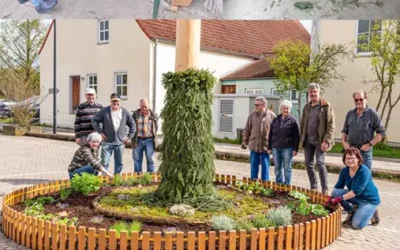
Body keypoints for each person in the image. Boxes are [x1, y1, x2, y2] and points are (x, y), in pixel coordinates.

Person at [327, 147, 380, 229]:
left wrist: (340, 199)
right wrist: (330, 198)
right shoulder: (345, 171)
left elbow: (356, 191)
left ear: (358, 159)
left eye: (353, 158)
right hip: (356, 198)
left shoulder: (364, 171)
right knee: (335, 192)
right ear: (344, 160)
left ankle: (372, 212)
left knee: (357, 225)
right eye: (347, 158)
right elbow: (338, 186)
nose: (350, 160)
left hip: (369, 200)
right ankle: (351, 211)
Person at [300, 83, 335, 195]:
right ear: (309, 93)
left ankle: (325, 189)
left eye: (315, 91)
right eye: (311, 92)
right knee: (308, 163)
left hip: (320, 141)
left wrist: (326, 141)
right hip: (308, 141)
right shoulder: (306, 107)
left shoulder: (326, 106)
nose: (313, 94)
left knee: (320, 163)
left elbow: (331, 125)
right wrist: (301, 139)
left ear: (319, 92)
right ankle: (314, 187)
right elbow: (302, 124)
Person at [91, 93, 136, 175]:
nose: (115, 103)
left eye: (117, 101)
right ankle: (104, 179)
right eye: (113, 101)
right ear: (110, 102)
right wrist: (100, 132)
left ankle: (116, 179)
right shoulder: (105, 111)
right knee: (104, 162)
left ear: (120, 102)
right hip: (107, 142)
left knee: (119, 163)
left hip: (120, 142)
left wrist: (129, 136)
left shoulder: (125, 112)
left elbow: (133, 125)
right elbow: (94, 120)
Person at [341, 90, 386, 169]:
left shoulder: (372, 114)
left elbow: (381, 133)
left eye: (361, 99)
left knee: (364, 177)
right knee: (350, 177)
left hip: (364, 153)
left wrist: (369, 145)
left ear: (366, 99)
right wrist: (344, 143)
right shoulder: (350, 114)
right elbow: (345, 131)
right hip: (351, 152)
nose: (359, 101)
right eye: (356, 100)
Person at [242, 96, 276, 181]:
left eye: (257, 105)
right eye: (255, 104)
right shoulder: (252, 115)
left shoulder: (271, 116)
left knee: (265, 165)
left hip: (266, 146)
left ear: (263, 105)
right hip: (254, 145)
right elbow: (247, 129)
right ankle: (253, 183)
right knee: (254, 164)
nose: (255, 106)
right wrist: (245, 141)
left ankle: (265, 184)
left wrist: (274, 144)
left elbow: (276, 132)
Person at [267, 100, 300, 185]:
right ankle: (279, 184)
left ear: (290, 110)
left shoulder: (293, 121)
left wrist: (295, 149)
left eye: (287, 109)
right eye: (284, 108)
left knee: (287, 167)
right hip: (275, 147)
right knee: (277, 167)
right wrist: (269, 147)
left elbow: (297, 136)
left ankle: (287, 185)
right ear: (281, 109)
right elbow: (271, 134)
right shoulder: (275, 120)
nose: (286, 110)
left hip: (288, 148)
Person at [132, 98, 159, 173]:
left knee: (150, 160)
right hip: (138, 140)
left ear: (149, 106)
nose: (144, 108)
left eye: (146, 106)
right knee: (137, 160)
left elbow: (156, 127)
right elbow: (131, 126)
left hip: (149, 140)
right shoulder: (135, 114)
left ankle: (149, 178)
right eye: (142, 106)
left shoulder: (154, 115)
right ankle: (138, 178)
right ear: (140, 106)